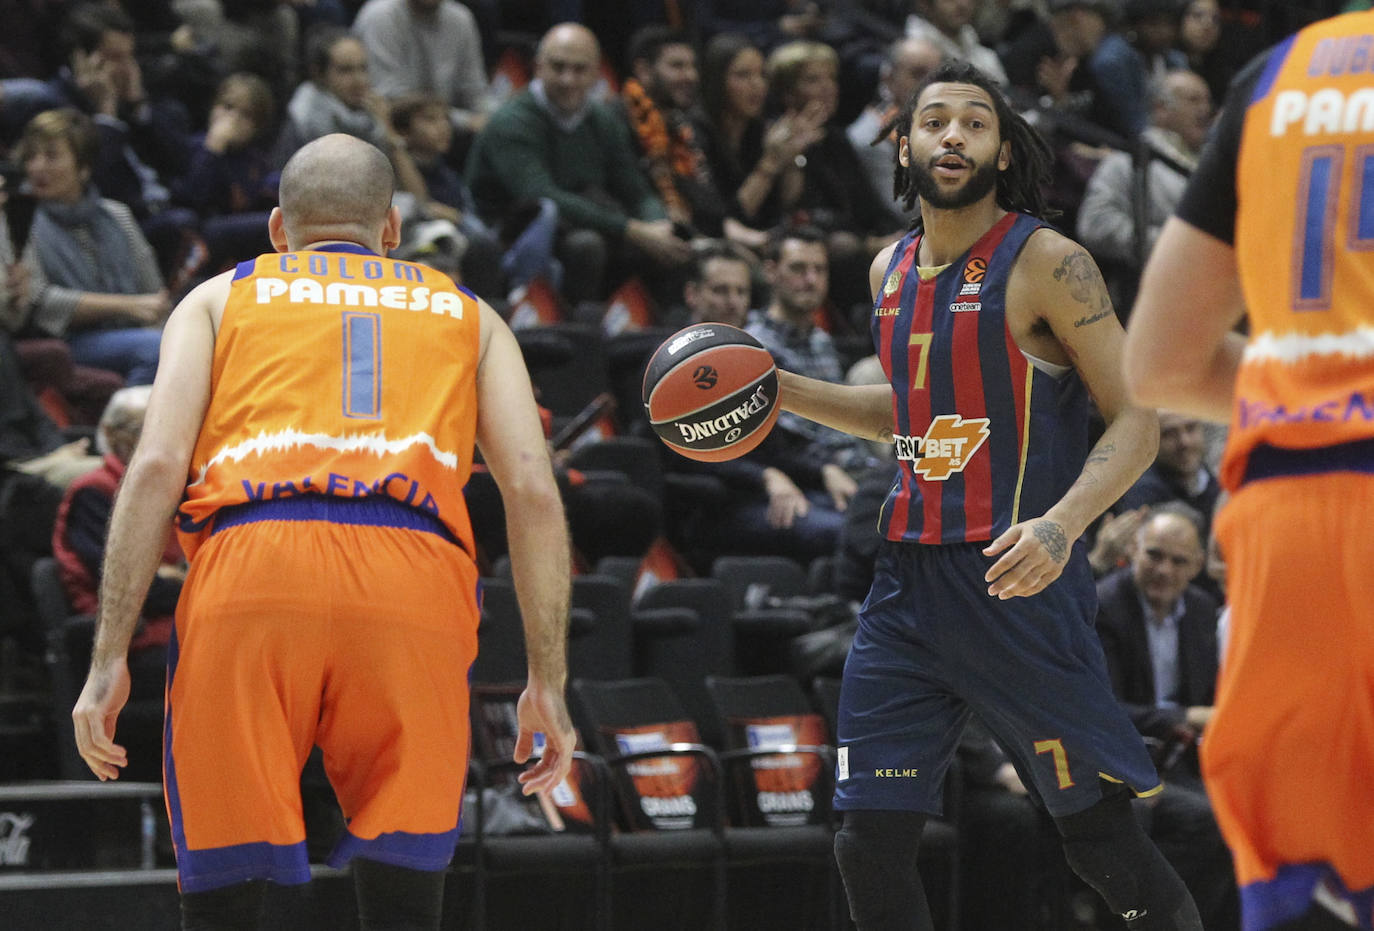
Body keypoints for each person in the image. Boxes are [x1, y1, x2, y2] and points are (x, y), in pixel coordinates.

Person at [69, 134, 576, 930]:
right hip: (414, 574)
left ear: (278, 230)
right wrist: (547, 679)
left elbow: (157, 464)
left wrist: (107, 659)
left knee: (225, 895)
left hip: (251, 565)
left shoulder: (215, 298)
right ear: (392, 230)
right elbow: (534, 495)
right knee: (405, 889)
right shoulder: (471, 316)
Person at [775, 61, 1202, 930]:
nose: (954, 136)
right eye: (935, 122)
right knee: (868, 840)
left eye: (976, 123)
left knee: (1100, 842)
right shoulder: (887, 269)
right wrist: (779, 388)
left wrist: (1062, 525)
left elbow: (1136, 421)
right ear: (904, 146)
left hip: (1020, 582)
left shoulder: (1049, 261)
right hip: (906, 589)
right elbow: (915, 413)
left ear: (1004, 152)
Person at [1124, 10, 1374, 929]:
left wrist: (1308, 387)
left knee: (1302, 888)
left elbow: (1158, 363)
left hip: (1288, 515)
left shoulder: (1283, 75)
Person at [466, 22, 691, 305]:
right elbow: (540, 194)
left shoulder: (602, 119)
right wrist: (633, 230)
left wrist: (658, 225)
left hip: (581, 219)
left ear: (597, 73)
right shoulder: (513, 121)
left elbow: (635, 189)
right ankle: (581, 333)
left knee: (672, 249)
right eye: (558, 67)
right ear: (538, 67)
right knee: (587, 246)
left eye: (579, 69)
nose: (568, 79)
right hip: (510, 227)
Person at [18, 107, 168, 385]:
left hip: (125, 332)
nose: (37, 167)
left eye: (51, 155)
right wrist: (126, 306)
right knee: (153, 348)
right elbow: (39, 301)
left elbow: (152, 292)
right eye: (31, 156)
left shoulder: (116, 214)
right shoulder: (19, 221)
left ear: (84, 167)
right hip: (63, 341)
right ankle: (123, 428)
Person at [1077, 69, 1213, 316]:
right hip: (1148, 297)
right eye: (1193, 100)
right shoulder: (1126, 162)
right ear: (1161, 108)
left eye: (1206, 100)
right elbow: (1094, 223)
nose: (1205, 110)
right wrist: (1166, 243)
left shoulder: (1213, 164)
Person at [847, 36, 944, 212]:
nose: (931, 85)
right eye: (917, 74)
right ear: (888, 79)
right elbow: (905, 209)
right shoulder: (871, 135)